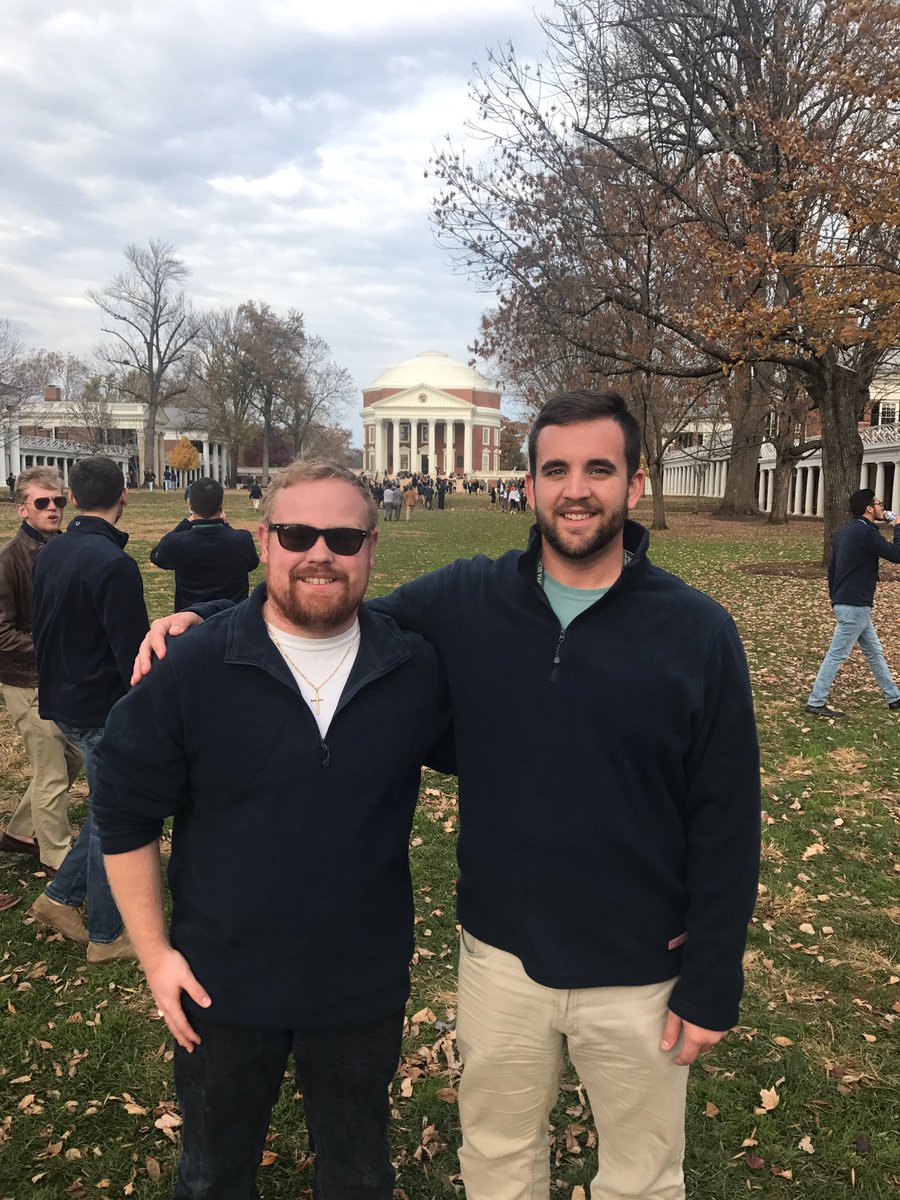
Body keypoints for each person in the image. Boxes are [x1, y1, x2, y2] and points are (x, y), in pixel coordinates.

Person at [135, 391, 761, 1200]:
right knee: (498, 1159)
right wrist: (207, 626)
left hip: (642, 965)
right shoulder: (468, 599)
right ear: (528, 485)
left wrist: (714, 975)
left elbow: (727, 815)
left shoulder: (697, 631)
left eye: (599, 469)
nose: (577, 489)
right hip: (500, 957)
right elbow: (331, 610)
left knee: (642, 1177)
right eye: (556, 469)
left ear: (633, 486)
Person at [95, 460, 449, 1200]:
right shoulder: (194, 664)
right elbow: (125, 809)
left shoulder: (412, 668)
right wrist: (156, 957)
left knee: (357, 1173)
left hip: (360, 985)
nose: (320, 552)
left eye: (343, 537)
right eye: (297, 533)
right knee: (215, 1176)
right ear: (266, 541)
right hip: (221, 985)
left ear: (372, 548)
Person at [27, 455, 149, 962]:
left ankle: (59, 897)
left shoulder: (52, 552)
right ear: (125, 495)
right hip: (99, 707)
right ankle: (105, 933)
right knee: (112, 817)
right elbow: (133, 654)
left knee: (104, 812)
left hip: (63, 698)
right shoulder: (114, 564)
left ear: (72, 498)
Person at [0, 468, 83, 910]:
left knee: (71, 758)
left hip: (57, 678)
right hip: (25, 681)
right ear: (22, 508)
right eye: (42, 503)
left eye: (58, 502)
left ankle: (17, 833)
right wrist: (55, 646)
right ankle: (58, 860)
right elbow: (2, 634)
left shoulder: (64, 548)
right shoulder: (9, 560)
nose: (53, 509)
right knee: (52, 770)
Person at [805, 487, 900, 717]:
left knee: (874, 651)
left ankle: (894, 697)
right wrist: (898, 527)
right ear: (869, 508)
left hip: (847, 602)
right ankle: (816, 701)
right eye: (879, 504)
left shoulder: (844, 532)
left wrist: (834, 598)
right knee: (836, 654)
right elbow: (897, 555)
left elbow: (832, 569)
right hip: (855, 604)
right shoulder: (867, 533)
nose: (882, 508)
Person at [150, 477, 259, 610]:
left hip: (191, 622)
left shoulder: (176, 542)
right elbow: (252, 563)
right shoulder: (241, 540)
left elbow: (157, 556)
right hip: (231, 620)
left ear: (190, 505)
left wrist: (186, 522)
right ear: (222, 505)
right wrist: (225, 524)